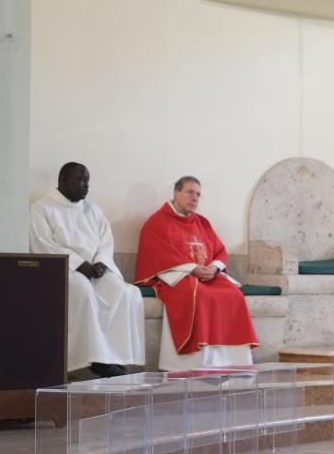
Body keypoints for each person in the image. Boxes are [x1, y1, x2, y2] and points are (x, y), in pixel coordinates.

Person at [29, 162, 146, 378]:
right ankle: (95, 359)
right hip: (64, 270)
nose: (86, 185)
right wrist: (78, 264)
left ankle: (115, 357)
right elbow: (43, 244)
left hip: (94, 268)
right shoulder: (41, 209)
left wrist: (101, 262)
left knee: (125, 293)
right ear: (64, 180)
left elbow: (105, 242)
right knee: (83, 292)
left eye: (88, 181)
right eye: (81, 180)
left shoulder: (93, 210)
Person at [134, 176, 258, 371]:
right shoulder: (157, 222)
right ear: (176, 193)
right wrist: (192, 269)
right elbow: (161, 253)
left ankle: (232, 360)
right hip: (177, 274)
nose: (194, 198)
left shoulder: (202, 222)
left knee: (234, 294)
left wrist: (214, 268)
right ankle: (195, 362)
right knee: (196, 293)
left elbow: (219, 250)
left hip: (206, 274)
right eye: (190, 192)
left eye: (198, 194)